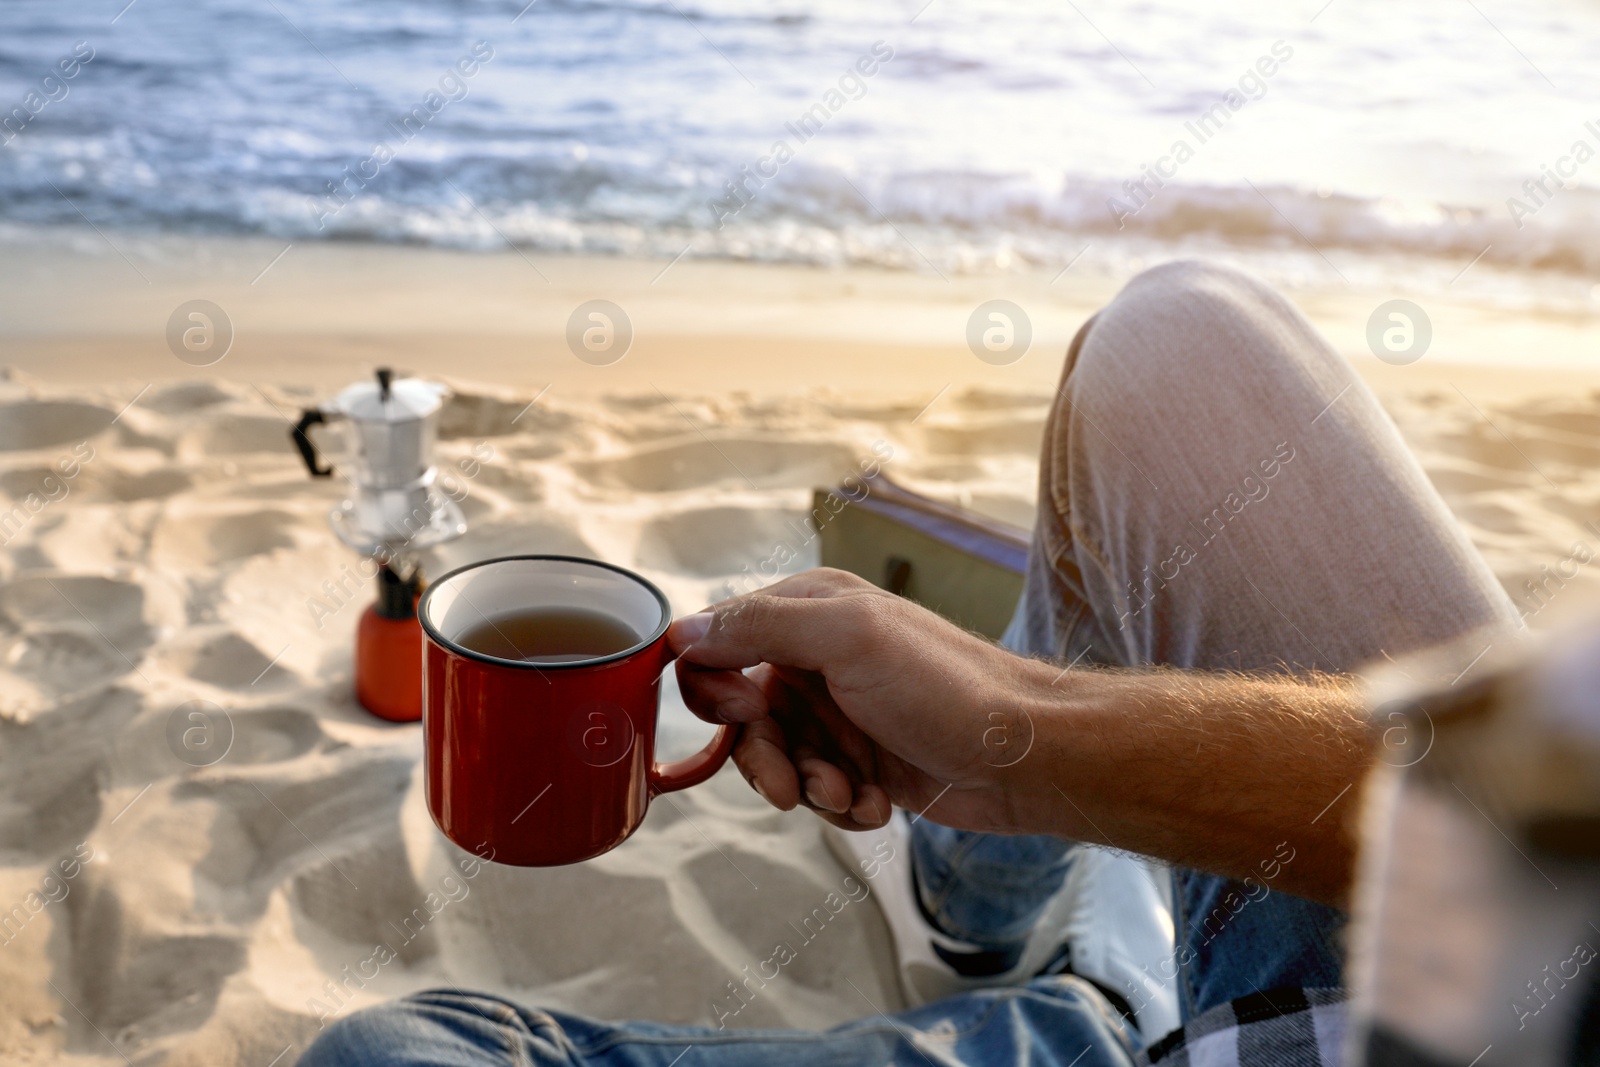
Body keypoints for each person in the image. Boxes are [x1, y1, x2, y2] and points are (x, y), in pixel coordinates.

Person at [300, 260, 1517, 1066]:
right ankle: (1012, 923)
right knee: (1170, 337)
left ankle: (1072, 995)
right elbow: (1540, 805)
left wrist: (1027, 719)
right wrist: (1014, 728)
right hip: (1509, 947)